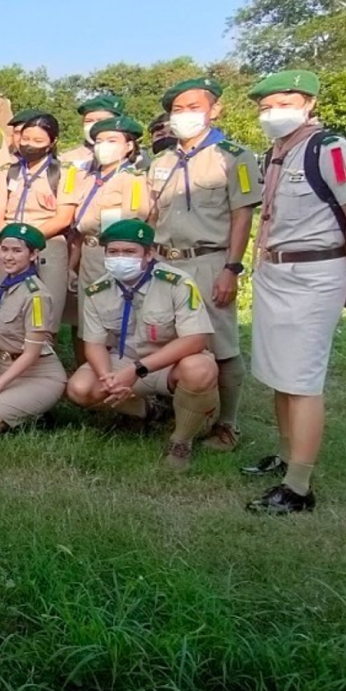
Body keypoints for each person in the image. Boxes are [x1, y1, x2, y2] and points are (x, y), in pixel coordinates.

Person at [242, 70, 346, 514]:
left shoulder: (330, 150)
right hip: (275, 271)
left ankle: (298, 487)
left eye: (282, 104)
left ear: (308, 103)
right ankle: (285, 455)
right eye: (265, 107)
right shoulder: (278, 153)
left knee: (301, 380)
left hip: (315, 272)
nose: (272, 114)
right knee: (278, 373)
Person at [147, 75, 261, 453]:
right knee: (169, 338)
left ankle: (226, 424)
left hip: (209, 261)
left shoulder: (233, 156)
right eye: (177, 110)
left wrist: (232, 267)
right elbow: (151, 218)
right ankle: (176, 410)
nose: (184, 116)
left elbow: (242, 216)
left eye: (193, 108)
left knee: (221, 344)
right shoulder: (159, 161)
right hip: (165, 262)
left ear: (215, 110)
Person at [66, 219, 219, 470]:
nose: (120, 258)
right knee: (79, 388)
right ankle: (149, 412)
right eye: (113, 252)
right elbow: (93, 343)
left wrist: (135, 370)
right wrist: (108, 379)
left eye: (129, 252)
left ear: (149, 254)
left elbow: (195, 338)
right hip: (125, 360)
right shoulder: (97, 289)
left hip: (169, 363)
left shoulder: (178, 283)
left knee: (200, 369)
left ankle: (181, 441)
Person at [0, 222, 66, 437]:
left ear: (33, 254)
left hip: (39, 374)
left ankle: (33, 419)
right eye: (4, 249)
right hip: (6, 367)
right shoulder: (7, 286)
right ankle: (20, 413)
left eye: (17, 251)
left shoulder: (36, 295)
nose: (8, 256)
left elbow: (31, 354)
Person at [65, 115, 150, 358]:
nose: (104, 146)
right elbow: (80, 225)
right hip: (87, 255)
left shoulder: (132, 179)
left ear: (129, 146)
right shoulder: (86, 177)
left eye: (112, 140)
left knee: (113, 318)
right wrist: (73, 265)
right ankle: (86, 372)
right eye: (99, 140)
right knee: (86, 320)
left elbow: (134, 220)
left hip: (115, 255)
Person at [0, 110, 78, 332]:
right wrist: (13, 242)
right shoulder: (7, 172)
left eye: (38, 140)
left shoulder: (65, 172)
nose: (30, 145)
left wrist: (29, 240)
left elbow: (64, 217)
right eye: (26, 139)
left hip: (47, 245)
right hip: (9, 246)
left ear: (52, 142)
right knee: (6, 308)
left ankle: (44, 357)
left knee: (47, 310)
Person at [66, 93, 128, 168]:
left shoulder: (137, 158)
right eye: (89, 121)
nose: (94, 125)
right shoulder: (68, 159)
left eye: (102, 120)